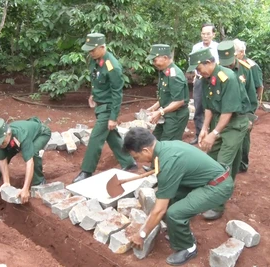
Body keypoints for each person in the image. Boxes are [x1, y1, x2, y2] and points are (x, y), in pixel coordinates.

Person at [123, 127, 233, 266]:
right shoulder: (164, 147)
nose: (138, 162)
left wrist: (142, 234)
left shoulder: (168, 162)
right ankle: (179, 233)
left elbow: (159, 210)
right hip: (206, 180)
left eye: (136, 157)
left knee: (174, 213)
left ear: (145, 150)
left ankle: (188, 247)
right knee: (167, 198)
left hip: (217, 186)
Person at [187, 47, 249, 220]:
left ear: (208, 62)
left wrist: (213, 133)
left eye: (198, 68)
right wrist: (205, 129)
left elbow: (228, 112)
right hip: (219, 122)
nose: (197, 72)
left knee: (221, 164)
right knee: (214, 159)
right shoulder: (207, 78)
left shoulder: (227, 77)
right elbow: (209, 106)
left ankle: (218, 204)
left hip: (234, 124)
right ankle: (226, 187)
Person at [72, 33, 137, 183]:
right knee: (112, 137)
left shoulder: (112, 66)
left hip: (108, 108)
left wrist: (113, 117)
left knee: (95, 138)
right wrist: (93, 95)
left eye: (93, 50)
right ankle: (128, 162)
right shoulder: (96, 60)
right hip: (100, 106)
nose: (90, 52)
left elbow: (117, 93)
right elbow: (97, 80)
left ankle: (86, 171)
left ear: (102, 47)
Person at [0, 117, 51, 204]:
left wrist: (25, 189)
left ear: (8, 134)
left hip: (41, 134)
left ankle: (39, 181)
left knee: (33, 153)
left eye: (2, 142)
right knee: (1, 155)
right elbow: (2, 160)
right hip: (15, 139)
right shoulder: (0, 137)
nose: (0, 145)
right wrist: (6, 182)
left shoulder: (22, 136)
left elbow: (29, 162)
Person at [143, 44, 190, 171]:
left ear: (165, 58)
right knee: (156, 140)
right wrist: (154, 107)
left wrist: (160, 112)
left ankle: (166, 171)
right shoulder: (163, 72)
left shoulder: (174, 75)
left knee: (168, 144)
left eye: (155, 59)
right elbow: (166, 96)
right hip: (167, 113)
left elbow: (179, 101)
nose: (153, 63)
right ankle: (155, 169)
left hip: (176, 115)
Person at [218, 40, 257, 173]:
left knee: (243, 142)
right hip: (224, 113)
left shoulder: (245, 69)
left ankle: (242, 164)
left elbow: (251, 94)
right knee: (225, 143)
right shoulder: (218, 69)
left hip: (242, 113)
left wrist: (250, 117)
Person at [234, 38, 263, 172]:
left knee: (244, 136)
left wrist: (257, 105)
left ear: (241, 52)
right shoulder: (232, 65)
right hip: (235, 107)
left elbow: (258, 86)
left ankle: (242, 164)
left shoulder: (250, 66)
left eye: (234, 52)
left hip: (247, 107)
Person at [189, 23, 219, 145]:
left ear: (213, 34)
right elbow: (192, 64)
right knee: (199, 107)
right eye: (203, 34)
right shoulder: (196, 47)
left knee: (214, 106)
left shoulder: (217, 47)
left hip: (215, 81)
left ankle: (214, 134)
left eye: (208, 34)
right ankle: (198, 134)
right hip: (200, 80)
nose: (205, 36)